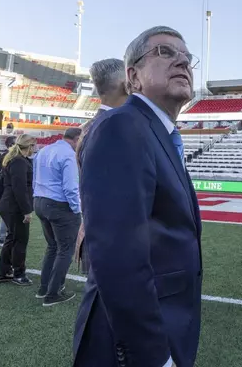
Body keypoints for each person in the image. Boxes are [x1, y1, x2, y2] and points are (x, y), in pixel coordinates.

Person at [73, 26, 202, 367]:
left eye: (187, 57)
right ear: (133, 77)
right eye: (165, 52)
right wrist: (153, 356)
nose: (182, 62)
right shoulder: (123, 126)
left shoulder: (156, 131)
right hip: (132, 342)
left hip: (164, 321)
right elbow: (118, 256)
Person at [75, 58, 128, 274]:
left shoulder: (92, 125)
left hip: (99, 234)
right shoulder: (116, 125)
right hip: (112, 241)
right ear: (127, 84)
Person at [33, 128, 83, 306]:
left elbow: (34, 179)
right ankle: (53, 293)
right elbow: (70, 187)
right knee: (65, 249)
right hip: (59, 205)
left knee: (52, 247)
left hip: (40, 200)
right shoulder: (68, 155)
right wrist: (77, 209)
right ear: (77, 139)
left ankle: (44, 287)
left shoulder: (44, 150)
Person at [0, 134, 37, 285]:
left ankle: (4, 271)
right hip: (14, 206)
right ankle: (18, 274)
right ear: (29, 146)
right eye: (34, 145)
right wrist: (26, 210)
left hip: (9, 205)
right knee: (20, 240)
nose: (35, 148)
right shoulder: (19, 161)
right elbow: (19, 189)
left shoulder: (14, 159)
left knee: (12, 238)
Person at [0, 135, 16, 247]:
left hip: (3, 188)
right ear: (11, 145)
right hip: (7, 189)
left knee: (6, 214)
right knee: (8, 214)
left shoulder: (2, 155)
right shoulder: (9, 156)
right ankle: (3, 238)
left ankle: (4, 238)